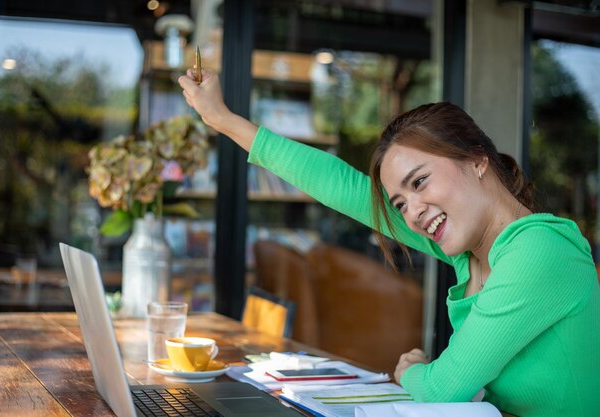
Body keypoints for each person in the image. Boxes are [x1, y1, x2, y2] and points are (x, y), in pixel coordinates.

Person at [178, 69, 600, 417]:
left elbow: (441, 389)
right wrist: (221, 120)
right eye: (400, 203)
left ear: (476, 160)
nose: (412, 212)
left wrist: (413, 370)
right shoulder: (471, 252)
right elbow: (341, 185)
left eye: (419, 182)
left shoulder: (540, 250)